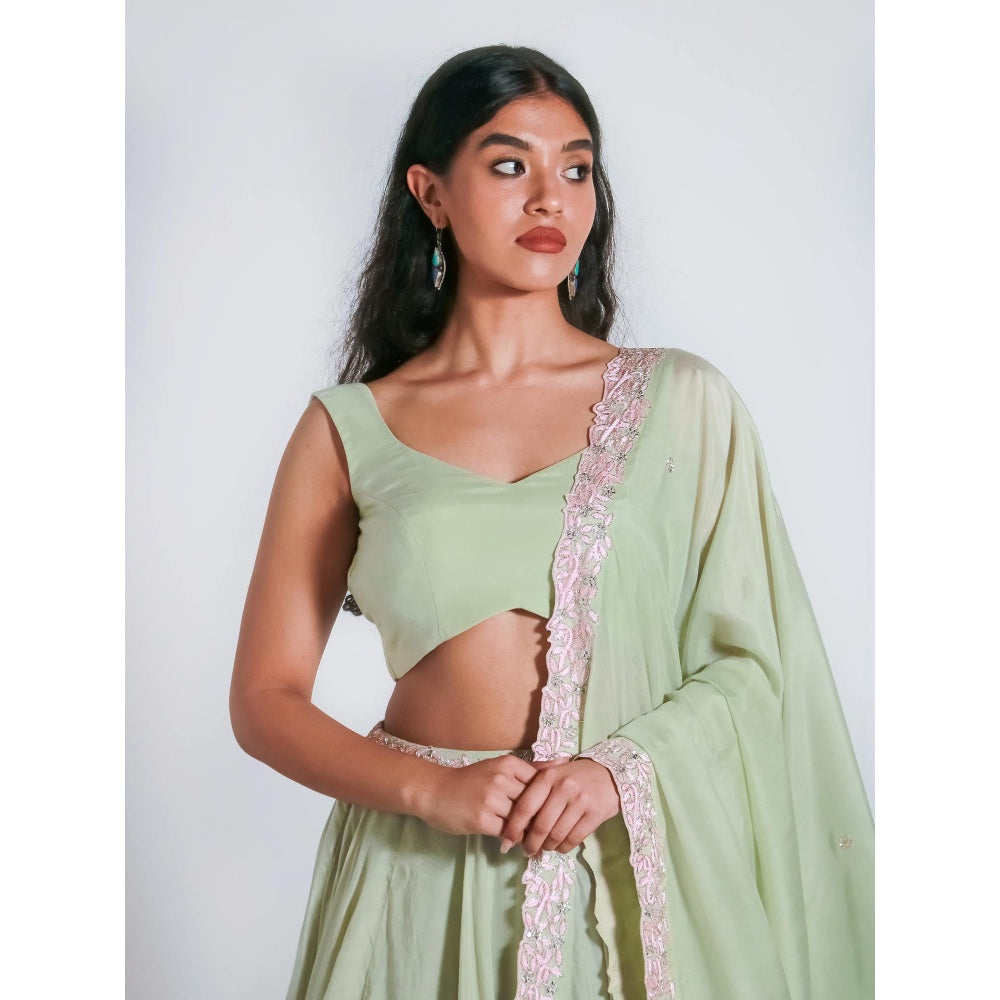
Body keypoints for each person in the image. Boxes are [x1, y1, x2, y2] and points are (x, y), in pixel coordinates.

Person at [229, 44, 874, 1000]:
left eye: (576, 170)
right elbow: (265, 699)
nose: (550, 199)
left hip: (625, 864)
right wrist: (432, 791)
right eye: (508, 165)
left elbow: (755, 661)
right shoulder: (347, 428)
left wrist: (619, 771)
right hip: (414, 876)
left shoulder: (683, 403)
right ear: (430, 192)